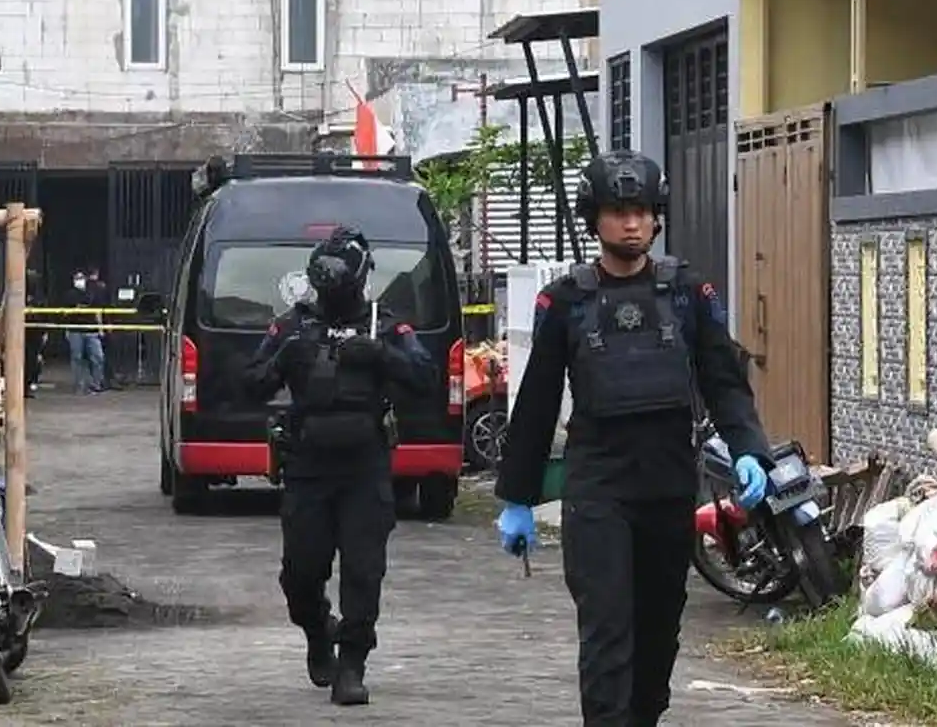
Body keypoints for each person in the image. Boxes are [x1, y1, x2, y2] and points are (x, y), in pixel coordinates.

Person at [494, 148, 773, 727]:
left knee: (656, 634)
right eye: (619, 211)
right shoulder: (566, 301)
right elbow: (538, 399)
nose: (632, 223)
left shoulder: (687, 294)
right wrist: (517, 497)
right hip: (598, 487)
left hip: (669, 486)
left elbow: (724, 381)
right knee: (606, 633)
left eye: (643, 211)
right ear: (593, 217)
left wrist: (750, 451)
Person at [242, 226, 438, 707]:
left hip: (364, 467)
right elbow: (249, 384)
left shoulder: (385, 325)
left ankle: (352, 662)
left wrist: (382, 357)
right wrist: (285, 358)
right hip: (308, 466)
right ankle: (316, 628)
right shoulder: (293, 326)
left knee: (363, 571)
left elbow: (426, 378)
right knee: (300, 573)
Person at [62, 270, 105, 394]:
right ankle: (79, 385)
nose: (79, 280)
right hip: (75, 330)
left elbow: (98, 311)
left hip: (91, 329)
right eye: (77, 278)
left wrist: (100, 328)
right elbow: (64, 313)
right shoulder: (69, 295)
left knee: (98, 357)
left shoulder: (91, 294)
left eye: (81, 278)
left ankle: (96, 384)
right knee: (77, 357)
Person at [24, 268, 47, 398]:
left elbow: (43, 315)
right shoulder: (19, 296)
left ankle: (28, 385)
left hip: (34, 334)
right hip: (24, 333)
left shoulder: (39, 298)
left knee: (32, 361)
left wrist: (44, 332)